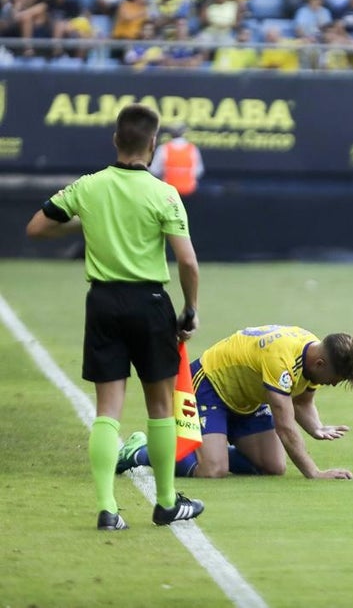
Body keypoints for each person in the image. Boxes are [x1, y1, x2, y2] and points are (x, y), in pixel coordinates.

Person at [25, 104, 204, 531]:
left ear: (115, 141)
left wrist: (83, 226)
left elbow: (36, 227)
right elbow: (188, 262)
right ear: (153, 143)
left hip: (103, 303)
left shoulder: (88, 187)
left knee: (108, 409)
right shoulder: (163, 194)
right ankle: (164, 502)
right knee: (159, 407)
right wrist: (190, 308)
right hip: (150, 303)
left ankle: (108, 509)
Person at [117, 325, 353, 480]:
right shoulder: (282, 359)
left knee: (274, 466)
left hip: (245, 399)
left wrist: (316, 428)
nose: (331, 384)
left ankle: (207, 446)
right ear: (320, 364)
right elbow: (286, 427)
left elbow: (302, 401)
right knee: (213, 470)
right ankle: (140, 451)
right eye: (334, 379)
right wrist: (315, 473)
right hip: (207, 386)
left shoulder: (313, 353)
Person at [148, 122, 204, 197]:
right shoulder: (192, 149)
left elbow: (154, 170)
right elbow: (199, 171)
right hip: (189, 191)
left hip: (169, 193)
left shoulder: (163, 149)